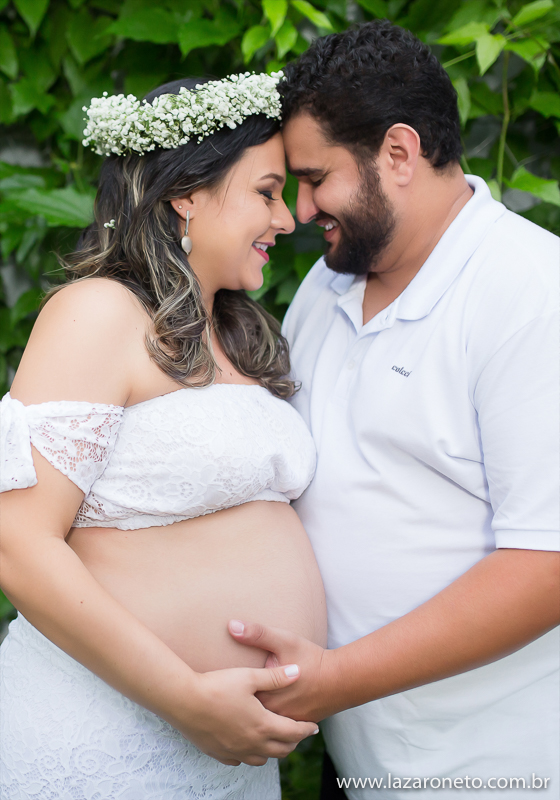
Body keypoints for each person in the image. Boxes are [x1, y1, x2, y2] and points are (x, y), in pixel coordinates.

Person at [227, 21, 560, 799]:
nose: (302, 210)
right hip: (363, 759)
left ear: (400, 153)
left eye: (316, 178)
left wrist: (338, 677)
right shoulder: (328, 285)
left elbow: (547, 563)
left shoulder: (531, 292)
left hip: (496, 769)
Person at [0, 73, 326, 799]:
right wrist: (185, 698)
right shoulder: (98, 313)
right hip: (102, 741)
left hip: (232, 761)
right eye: (266, 193)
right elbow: (16, 544)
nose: (287, 218)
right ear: (186, 192)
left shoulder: (243, 336)